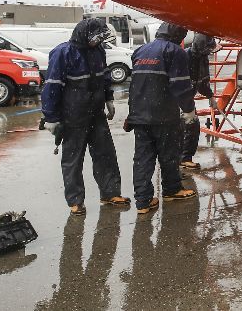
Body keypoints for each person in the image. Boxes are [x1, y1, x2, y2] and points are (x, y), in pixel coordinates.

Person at [41, 17, 129, 215]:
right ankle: (75, 201)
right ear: (85, 35)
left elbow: (104, 77)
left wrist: (109, 99)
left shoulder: (98, 51)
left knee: (105, 155)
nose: (98, 41)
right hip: (73, 116)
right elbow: (52, 86)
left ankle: (110, 194)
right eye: (96, 37)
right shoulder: (63, 53)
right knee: (73, 160)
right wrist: (51, 117)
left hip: (96, 114)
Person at [126, 22, 197, 214]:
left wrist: (132, 113)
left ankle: (143, 201)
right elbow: (180, 85)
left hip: (140, 116)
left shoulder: (140, 51)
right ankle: (172, 190)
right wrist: (189, 109)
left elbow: (135, 86)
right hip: (163, 115)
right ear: (178, 34)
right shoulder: (175, 52)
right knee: (169, 155)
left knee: (142, 159)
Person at [180, 33, 217, 170]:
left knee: (192, 128)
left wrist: (210, 96)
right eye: (207, 49)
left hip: (188, 98)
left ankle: (185, 159)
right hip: (177, 98)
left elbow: (202, 82)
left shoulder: (203, 58)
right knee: (181, 128)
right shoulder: (183, 57)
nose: (209, 52)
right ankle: (178, 159)